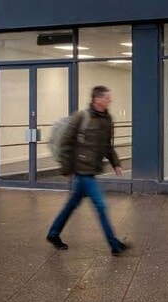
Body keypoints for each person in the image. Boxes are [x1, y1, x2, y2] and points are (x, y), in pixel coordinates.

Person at [47, 85, 130, 255]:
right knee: (101, 205)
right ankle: (114, 244)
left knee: (72, 204)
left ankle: (53, 234)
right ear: (97, 100)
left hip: (92, 169)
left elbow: (107, 145)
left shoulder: (107, 119)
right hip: (82, 170)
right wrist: (66, 168)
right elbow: (65, 143)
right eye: (107, 98)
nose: (110, 100)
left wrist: (115, 163)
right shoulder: (81, 117)